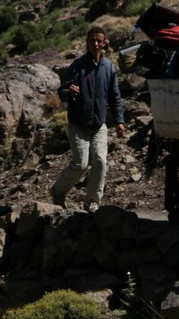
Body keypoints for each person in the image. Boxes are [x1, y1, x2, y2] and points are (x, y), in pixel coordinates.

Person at [51, 25, 126, 211]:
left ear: (104, 43)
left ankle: (92, 201)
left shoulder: (108, 68)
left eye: (99, 41)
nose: (95, 44)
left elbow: (114, 96)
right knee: (81, 164)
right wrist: (70, 91)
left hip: (98, 124)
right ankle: (58, 191)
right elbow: (62, 92)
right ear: (87, 42)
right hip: (78, 124)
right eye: (92, 40)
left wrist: (120, 121)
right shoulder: (78, 66)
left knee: (100, 160)